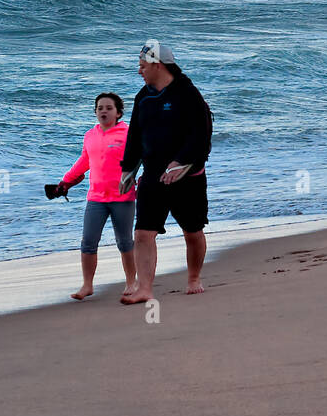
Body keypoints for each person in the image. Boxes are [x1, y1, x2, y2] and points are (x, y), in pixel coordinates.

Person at [119, 40, 213, 303]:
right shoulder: (144, 96)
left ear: (157, 65)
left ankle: (194, 277)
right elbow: (135, 136)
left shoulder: (188, 94)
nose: (139, 71)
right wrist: (128, 170)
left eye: (142, 66)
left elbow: (202, 134)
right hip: (152, 175)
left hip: (187, 177)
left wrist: (183, 162)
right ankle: (145, 288)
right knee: (143, 233)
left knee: (192, 231)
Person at [56, 92, 137, 301]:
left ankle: (131, 282)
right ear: (95, 112)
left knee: (125, 242)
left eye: (109, 108)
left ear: (118, 113)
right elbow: (84, 161)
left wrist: (145, 178)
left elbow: (144, 157)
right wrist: (65, 181)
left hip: (123, 197)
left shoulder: (128, 134)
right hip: (96, 198)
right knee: (88, 242)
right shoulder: (90, 135)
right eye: (100, 107)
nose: (103, 111)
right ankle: (87, 285)